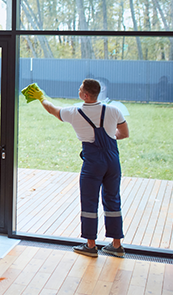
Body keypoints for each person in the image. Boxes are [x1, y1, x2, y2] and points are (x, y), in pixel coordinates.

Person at [28, 78, 129, 258]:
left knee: (89, 201)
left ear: (85, 95)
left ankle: (91, 246)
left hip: (93, 163)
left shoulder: (75, 112)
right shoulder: (114, 110)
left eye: (80, 89)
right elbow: (124, 134)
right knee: (113, 199)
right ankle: (116, 245)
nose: (78, 90)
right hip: (113, 161)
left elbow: (52, 110)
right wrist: (109, 136)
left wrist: (40, 97)